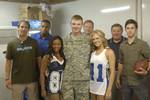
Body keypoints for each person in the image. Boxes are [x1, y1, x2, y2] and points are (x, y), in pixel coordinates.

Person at [5, 20, 41, 100]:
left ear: (28, 29)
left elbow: (39, 60)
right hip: (17, 81)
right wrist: (7, 78)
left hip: (32, 80)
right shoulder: (11, 43)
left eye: (26, 27)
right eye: (22, 27)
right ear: (18, 28)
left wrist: (41, 76)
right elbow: (8, 62)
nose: (23, 29)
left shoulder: (34, 42)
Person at [116, 19, 150, 100]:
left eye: (132, 28)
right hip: (125, 81)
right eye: (128, 28)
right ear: (125, 30)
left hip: (139, 82)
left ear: (136, 29)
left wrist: (147, 71)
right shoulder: (122, 45)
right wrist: (118, 77)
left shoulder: (143, 44)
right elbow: (121, 62)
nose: (130, 30)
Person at [62, 15, 91, 100]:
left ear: (82, 25)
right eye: (74, 24)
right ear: (70, 24)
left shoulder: (88, 40)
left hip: (83, 79)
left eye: (78, 24)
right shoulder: (64, 40)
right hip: (68, 79)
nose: (76, 26)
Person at [90, 30, 115, 100]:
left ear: (102, 38)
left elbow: (112, 72)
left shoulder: (109, 52)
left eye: (97, 38)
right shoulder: (93, 53)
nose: (95, 41)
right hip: (93, 84)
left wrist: (109, 89)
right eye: (93, 39)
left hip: (103, 85)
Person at [31, 19, 53, 100]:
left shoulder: (52, 39)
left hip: (47, 67)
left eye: (46, 27)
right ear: (40, 27)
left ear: (49, 28)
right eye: (42, 26)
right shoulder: (33, 38)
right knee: (35, 87)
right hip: (35, 67)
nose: (44, 28)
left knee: (45, 86)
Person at [40, 36, 66, 100]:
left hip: (62, 89)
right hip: (52, 89)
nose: (56, 46)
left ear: (61, 45)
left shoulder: (63, 56)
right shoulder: (47, 57)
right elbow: (42, 74)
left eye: (58, 44)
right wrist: (43, 89)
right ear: (51, 45)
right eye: (54, 44)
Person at [107, 23, 126, 100]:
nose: (116, 33)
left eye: (118, 31)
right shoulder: (106, 43)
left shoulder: (127, 42)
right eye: (114, 31)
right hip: (111, 73)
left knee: (124, 95)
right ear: (111, 32)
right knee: (112, 96)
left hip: (125, 73)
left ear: (122, 31)